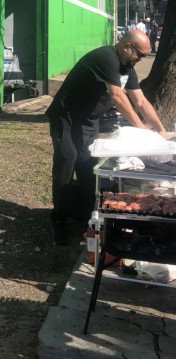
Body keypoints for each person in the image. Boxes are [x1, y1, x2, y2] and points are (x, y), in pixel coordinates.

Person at [45, 29, 167, 245]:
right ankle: (59, 219)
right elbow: (117, 96)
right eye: (139, 54)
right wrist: (141, 129)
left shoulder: (128, 68)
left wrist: (161, 130)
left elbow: (140, 101)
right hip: (67, 117)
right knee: (67, 161)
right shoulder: (106, 57)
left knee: (89, 168)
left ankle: (87, 219)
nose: (141, 59)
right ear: (127, 46)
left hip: (88, 122)